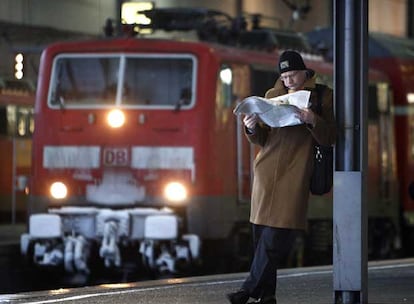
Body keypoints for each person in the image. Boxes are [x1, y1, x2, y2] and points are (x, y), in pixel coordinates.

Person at [227, 50, 336, 304]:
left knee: (275, 237)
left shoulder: (322, 97)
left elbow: (330, 137)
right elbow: (262, 140)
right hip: (266, 171)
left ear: (304, 71)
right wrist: (250, 127)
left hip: (296, 172)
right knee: (260, 234)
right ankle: (267, 296)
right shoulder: (272, 96)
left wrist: (312, 119)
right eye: (284, 76)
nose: (288, 81)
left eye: (292, 75)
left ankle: (247, 289)